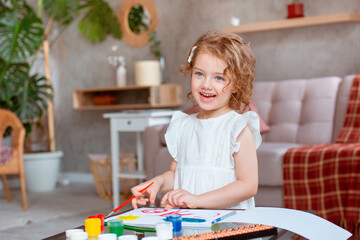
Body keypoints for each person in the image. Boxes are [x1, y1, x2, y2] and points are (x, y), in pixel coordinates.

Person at [131, 31, 261, 210]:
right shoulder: (183, 126)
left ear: (236, 85)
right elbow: (175, 174)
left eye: (218, 77)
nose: (206, 84)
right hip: (193, 225)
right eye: (199, 74)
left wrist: (198, 200)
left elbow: (248, 185)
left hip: (230, 226)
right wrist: (158, 183)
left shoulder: (237, 129)